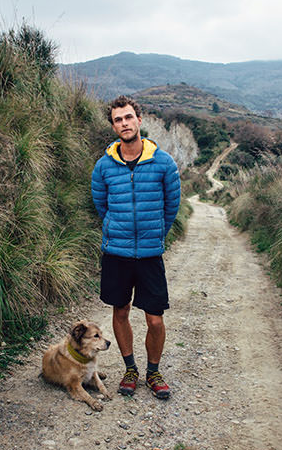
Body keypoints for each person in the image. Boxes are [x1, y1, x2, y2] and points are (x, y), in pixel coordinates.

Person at [91, 95, 181, 399]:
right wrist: (118, 232)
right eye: (118, 120)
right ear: (113, 126)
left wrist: (155, 235)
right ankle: (130, 369)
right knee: (120, 311)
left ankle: (153, 372)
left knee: (155, 318)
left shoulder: (163, 163)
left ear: (139, 120)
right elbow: (102, 206)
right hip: (116, 253)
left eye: (128, 117)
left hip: (149, 254)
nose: (124, 124)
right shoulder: (103, 166)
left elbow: (172, 206)